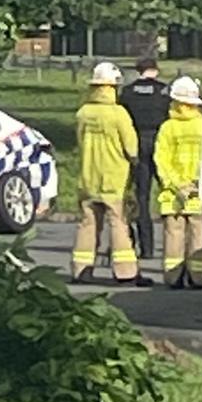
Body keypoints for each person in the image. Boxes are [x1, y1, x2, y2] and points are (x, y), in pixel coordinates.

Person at [71, 62, 153, 287]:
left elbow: (79, 141)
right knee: (118, 224)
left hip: (88, 178)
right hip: (114, 180)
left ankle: (81, 270)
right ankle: (125, 272)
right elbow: (132, 148)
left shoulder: (84, 113)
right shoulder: (119, 114)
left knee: (88, 225)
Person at [154, 76, 202, 289]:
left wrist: (175, 184)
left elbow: (161, 158)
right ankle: (198, 277)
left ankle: (173, 277)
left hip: (172, 193)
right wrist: (195, 183)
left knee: (173, 235)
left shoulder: (168, 128)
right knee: (198, 235)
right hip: (197, 190)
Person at [119, 57, 170, 259]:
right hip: (160, 143)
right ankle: (174, 242)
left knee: (142, 196)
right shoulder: (164, 91)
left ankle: (146, 248)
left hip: (137, 143)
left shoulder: (128, 92)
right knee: (169, 190)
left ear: (138, 71)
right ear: (155, 71)